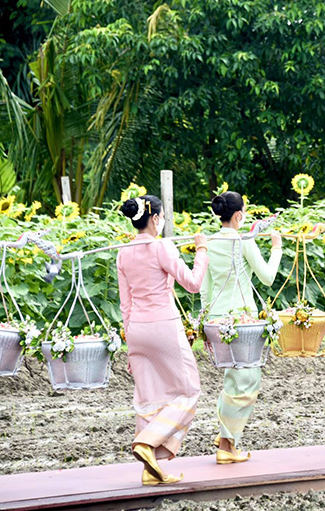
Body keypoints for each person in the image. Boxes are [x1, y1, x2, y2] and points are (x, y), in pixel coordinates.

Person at [117, 195, 209, 485]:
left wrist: (131, 347)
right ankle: (147, 442)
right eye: (163, 217)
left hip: (136, 331)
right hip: (163, 327)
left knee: (149, 396)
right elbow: (192, 284)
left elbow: (125, 306)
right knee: (189, 390)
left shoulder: (123, 252)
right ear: (155, 219)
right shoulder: (161, 247)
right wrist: (202, 250)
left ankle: (151, 468)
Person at [200, 191, 282, 464]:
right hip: (242, 320)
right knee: (247, 381)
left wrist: (206, 320)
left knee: (231, 379)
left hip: (217, 318)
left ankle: (226, 435)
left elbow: (205, 287)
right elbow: (268, 278)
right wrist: (277, 248)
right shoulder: (243, 241)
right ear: (239, 216)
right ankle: (227, 444)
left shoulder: (209, 243)